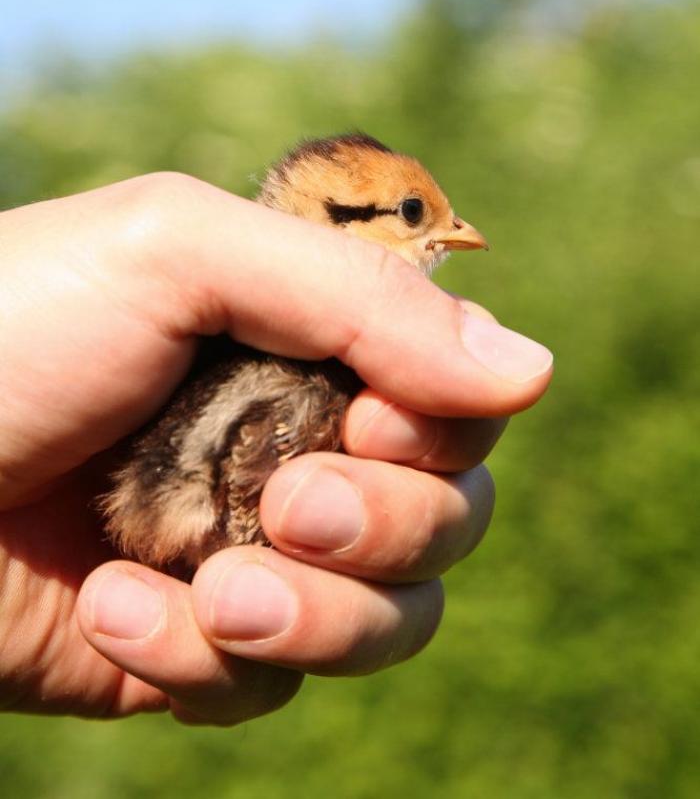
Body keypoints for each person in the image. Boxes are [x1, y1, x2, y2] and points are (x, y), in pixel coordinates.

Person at [0, 172, 552, 725]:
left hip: (128, 529)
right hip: (163, 522)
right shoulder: (277, 337)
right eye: (412, 213)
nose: (457, 231)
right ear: (335, 217)